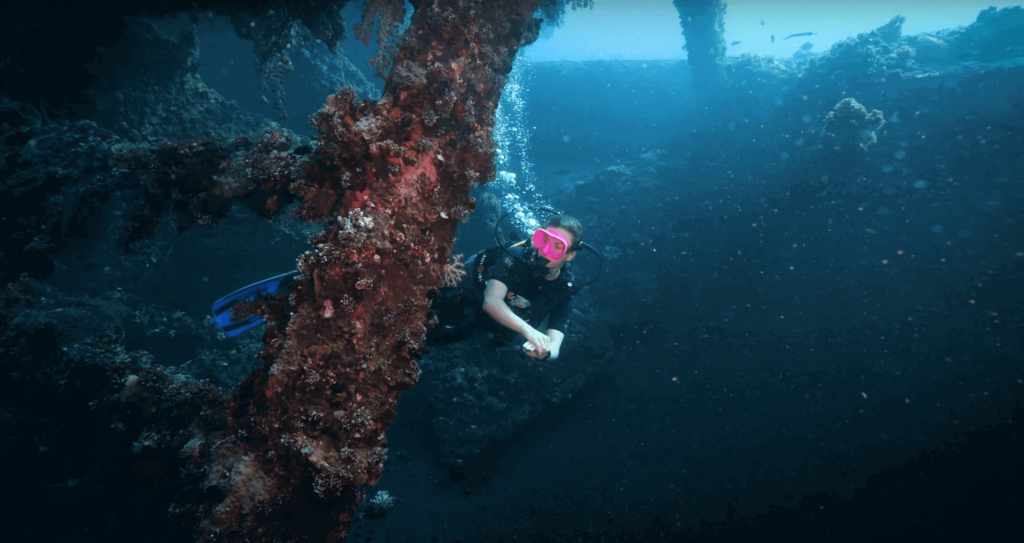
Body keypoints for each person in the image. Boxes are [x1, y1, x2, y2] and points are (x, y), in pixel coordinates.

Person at [427, 215, 584, 360]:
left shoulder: (564, 291)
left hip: (479, 322)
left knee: (434, 338)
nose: (544, 250)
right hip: (465, 291)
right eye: (543, 240)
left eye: (558, 247)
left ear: (570, 255)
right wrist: (529, 331)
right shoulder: (515, 256)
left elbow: (555, 347)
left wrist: (544, 352)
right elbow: (491, 301)